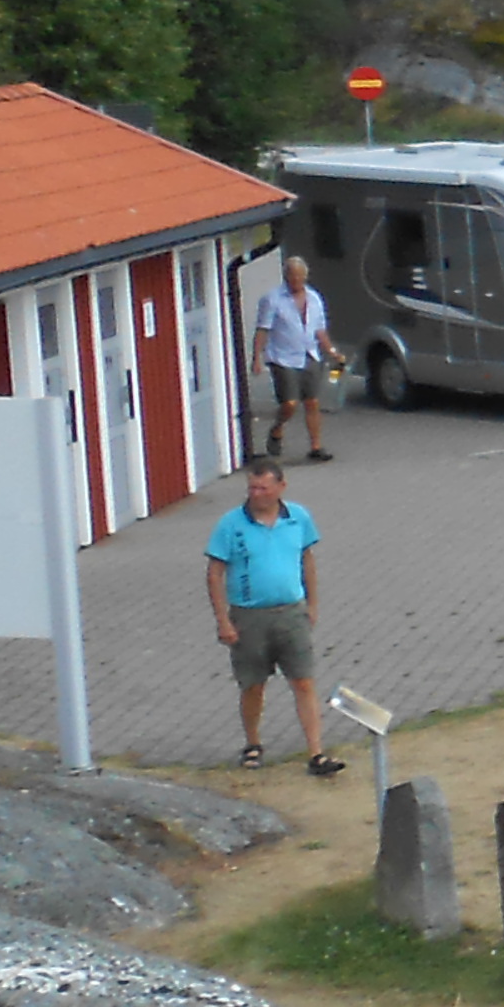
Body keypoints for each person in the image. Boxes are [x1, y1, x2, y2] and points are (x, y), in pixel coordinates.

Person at [204, 453, 340, 775]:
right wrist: (223, 620)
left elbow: (307, 560)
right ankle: (252, 744)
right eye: (252, 488)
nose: (256, 495)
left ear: (281, 486)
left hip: (290, 612)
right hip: (249, 616)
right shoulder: (231, 524)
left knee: (304, 681)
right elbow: (214, 573)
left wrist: (312, 605)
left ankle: (316, 753)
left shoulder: (299, 518)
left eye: (264, 488)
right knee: (253, 684)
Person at [253, 256, 334, 464]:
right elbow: (263, 329)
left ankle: (316, 446)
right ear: (286, 276)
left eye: (301, 277)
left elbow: (320, 329)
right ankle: (277, 428)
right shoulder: (272, 299)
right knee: (289, 403)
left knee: (312, 401)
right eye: (293, 277)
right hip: (283, 357)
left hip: (309, 354)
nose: (297, 281)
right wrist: (256, 358)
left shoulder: (314, 298)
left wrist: (331, 351)